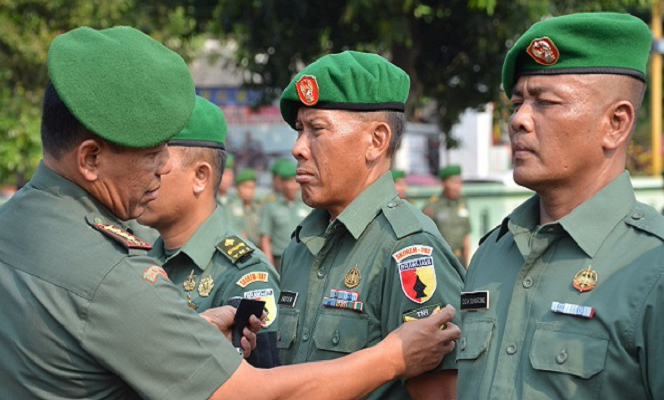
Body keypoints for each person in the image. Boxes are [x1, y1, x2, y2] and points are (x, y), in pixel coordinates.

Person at [0, 26, 461, 400]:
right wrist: (393, 356)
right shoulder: (108, 268)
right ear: (91, 159)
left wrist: (193, 338)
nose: (162, 168)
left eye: (317, 130)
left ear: (377, 141)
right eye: (149, 153)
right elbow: (248, 392)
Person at [457, 13, 664, 400]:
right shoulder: (492, 254)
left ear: (615, 124)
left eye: (545, 102)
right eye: (517, 102)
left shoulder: (653, 267)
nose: (519, 119)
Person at [278, 50, 465, 400]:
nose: (298, 148)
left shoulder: (409, 249)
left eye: (316, 129)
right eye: (300, 130)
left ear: (376, 141)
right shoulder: (302, 245)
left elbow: (440, 394)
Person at [136, 95, 280, 368]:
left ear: (200, 176)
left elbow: (264, 386)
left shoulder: (243, 276)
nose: (144, 176)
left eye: (157, 163)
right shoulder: (143, 261)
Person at [259, 160, 309, 268]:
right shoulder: (270, 205)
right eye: (288, 181)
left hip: (304, 257)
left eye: (294, 181)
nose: (292, 186)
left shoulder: (308, 204)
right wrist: (269, 264)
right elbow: (265, 238)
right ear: (282, 183)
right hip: (279, 258)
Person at [422, 165, 471, 267]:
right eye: (453, 182)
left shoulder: (463, 202)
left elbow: (466, 235)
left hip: (460, 258)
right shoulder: (432, 206)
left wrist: (467, 262)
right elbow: (425, 238)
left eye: (459, 182)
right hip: (441, 259)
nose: (457, 187)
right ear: (444, 183)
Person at [230, 167, 263, 246]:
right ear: (237, 188)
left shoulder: (258, 207)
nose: (249, 191)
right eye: (245, 187)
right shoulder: (231, 207)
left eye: (252, 187)